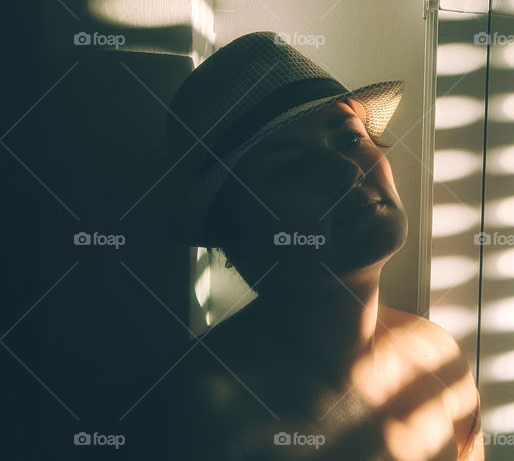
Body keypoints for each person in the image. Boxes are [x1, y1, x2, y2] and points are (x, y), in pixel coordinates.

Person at [125, 32, 483, 460]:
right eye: (291, 166)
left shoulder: (437, 357)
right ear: (232, 226)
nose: (345, 171)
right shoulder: (202, 417)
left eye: (350, 138)